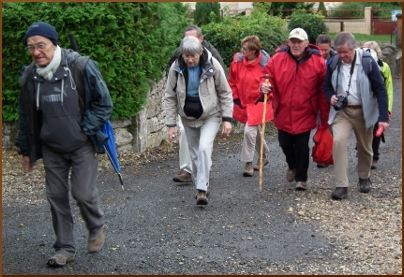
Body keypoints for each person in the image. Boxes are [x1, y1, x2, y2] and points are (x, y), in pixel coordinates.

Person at [15, 22, 113, 267]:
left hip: (81, 145)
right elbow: (26, 115)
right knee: (56, 197)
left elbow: (104, 104)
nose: (36, 52)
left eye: (41, 46)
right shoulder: (31, 76)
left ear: (54, 44)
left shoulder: (80, 66)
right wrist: (26, 149)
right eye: (31, 47)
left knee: (83, 193)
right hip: (52, 148)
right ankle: (65, 248)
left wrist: (84, 129)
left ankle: (95, 225)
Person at [164, 36, 233, 205]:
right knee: (195, 155)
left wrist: (227, 119)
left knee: (203, 148)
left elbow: (225, 92)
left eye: (193, 56)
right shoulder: (176, 67)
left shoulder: (212, 65)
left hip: (211, 115)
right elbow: (169, 97)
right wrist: (171, 124)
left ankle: (202, 189)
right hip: (188, 117)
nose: (189, 59)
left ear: (200, 52)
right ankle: (201, 183)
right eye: (186, 56)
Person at [260, 28, 329, 191]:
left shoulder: (318, 62)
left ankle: (301, 179)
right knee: (284, 144)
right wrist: (264, 86)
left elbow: (323, 88)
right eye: (293, 41)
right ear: (289, 42)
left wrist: (324, 117)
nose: (296, 45)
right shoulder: (277, 59)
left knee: (302, 146)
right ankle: (292, 166)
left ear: (306, 44)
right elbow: (266, 76)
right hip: (283, 110)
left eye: (299, 42)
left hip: (306, 111)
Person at [323, 32, 389, 200]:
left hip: (364, 111)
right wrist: (330, 95)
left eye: (345, 52)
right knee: (338, 142)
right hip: (342, 112)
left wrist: (383, 117)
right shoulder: (334, 62)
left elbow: (381, 90)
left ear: (354, 48)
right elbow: (326, 85)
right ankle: (341, 185)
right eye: (339, 52)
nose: (342, 56)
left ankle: (364, 177)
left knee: (365, 147)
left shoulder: (367, 62)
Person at [228, 35, 271, 177]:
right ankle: (263, 156)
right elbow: (232, 81)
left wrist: (263, 95)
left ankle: (248, 163)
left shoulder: (265, 65)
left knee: (248, 131)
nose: (241, 51)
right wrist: (235, 98)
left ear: (253, 51)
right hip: (243, 102)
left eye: (245, 49)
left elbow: (270, 85)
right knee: (254, 131)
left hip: (257, 103)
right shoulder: (237, 61)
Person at [362, 40, 394, 170]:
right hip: (364, 103)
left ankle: (374, 156)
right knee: (362, 130)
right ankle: (363, 154)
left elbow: (388, 89)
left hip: (377, 104)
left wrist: (387, 109)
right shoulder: (359, 66)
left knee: (376, 131)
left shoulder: (384, 67)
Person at [315, 33, 337, 168]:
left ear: (330, 48)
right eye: (320, 50)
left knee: (333, 126)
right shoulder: (313, 58)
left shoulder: (336, 59)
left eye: (325, 50)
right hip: (318, 97)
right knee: (321, 125)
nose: (322, 53)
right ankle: (322, 153)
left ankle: (332, 153)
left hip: (332, 97)